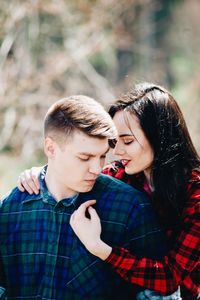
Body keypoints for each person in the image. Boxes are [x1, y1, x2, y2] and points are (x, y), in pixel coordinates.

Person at [18, 83, 200, 300]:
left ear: (159, 136)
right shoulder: (120, 176)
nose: (118, 151)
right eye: (115, 142)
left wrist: (101, 249)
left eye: (128, 141)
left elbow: (171, 278)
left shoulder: (195, 194)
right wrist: (42, 173)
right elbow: (73, 172)